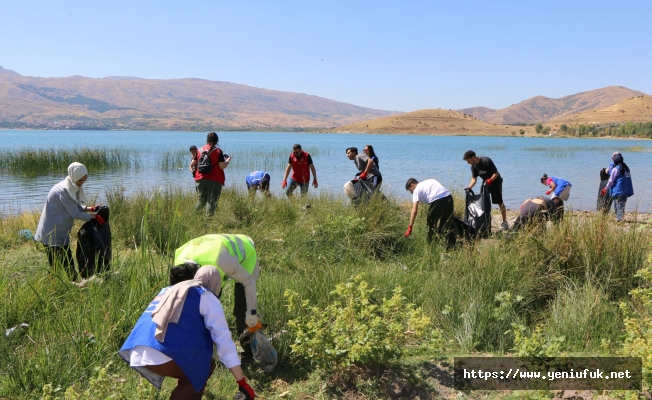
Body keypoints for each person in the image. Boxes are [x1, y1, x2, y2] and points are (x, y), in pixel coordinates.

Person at [120, 266, 256, 400]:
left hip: (136, 347)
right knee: (200, 371)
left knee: (205, 365)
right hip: (158, 353)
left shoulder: (168, 290)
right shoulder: (206, 296)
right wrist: (242, 383)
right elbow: (224, 342)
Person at [173, 234, 263, 353]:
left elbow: (249, 281)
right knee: (203, 307)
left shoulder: (221, 260)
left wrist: (251, 312)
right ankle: (203, 347)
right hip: (215, 259)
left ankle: (248, 349)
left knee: (242, 308)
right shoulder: (179, 261)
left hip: (245, 254)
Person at [34, 162, 105, 280]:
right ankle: (67, 287)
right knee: (62, 266)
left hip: (61, 232)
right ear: (74, 176)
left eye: (84, 180)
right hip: (51, 233)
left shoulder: (72, 186)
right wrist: (94, 217)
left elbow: (74, 206)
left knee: (61, 264)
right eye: (80, 181)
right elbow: (75, 213)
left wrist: (90, 209)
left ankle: (59, 286)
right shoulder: (63, 190)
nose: (82, 184)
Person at [404, 178, 456, 249]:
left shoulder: (416, 190)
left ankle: (431, 247)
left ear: (412, 185)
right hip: (449, 197)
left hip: (437, 200)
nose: (411, 193)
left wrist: (410, 227)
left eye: (410, 190)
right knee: (447, 225)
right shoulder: (430, 181)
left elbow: (414, 210)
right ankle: (450, 248)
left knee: (430, 226)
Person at [463, 150, 508, 230]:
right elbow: (474, 179)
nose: (468, 162)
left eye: (468, 160)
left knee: (499, 202)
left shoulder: (486, 161)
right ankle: (484, 223)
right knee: (482, 203)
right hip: (486, 184)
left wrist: (490, 180)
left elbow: (496, 173)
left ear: (473, 157)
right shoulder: (473, 166)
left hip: (496, 182)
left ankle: (505, 222)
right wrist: (469, 187)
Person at [195, 132, 231, 216]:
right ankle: (209, 222)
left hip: (199, 179)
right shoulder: (218, 151)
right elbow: (222, 166)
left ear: (207, 139)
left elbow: (194, 163)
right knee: (211, 201)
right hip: (214, 179)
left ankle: (196, 218)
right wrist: (228, 161)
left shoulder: (199, 150)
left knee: (200, 200)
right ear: (217, 140)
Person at [601, 151, 634, 222]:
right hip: (626, 190)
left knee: (617, 206)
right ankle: (620, 218)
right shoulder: (626, 168)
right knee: (622, 205)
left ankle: (619, 220)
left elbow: (610, 181)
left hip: (618, 191)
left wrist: (605, 188)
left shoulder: (615, 169)